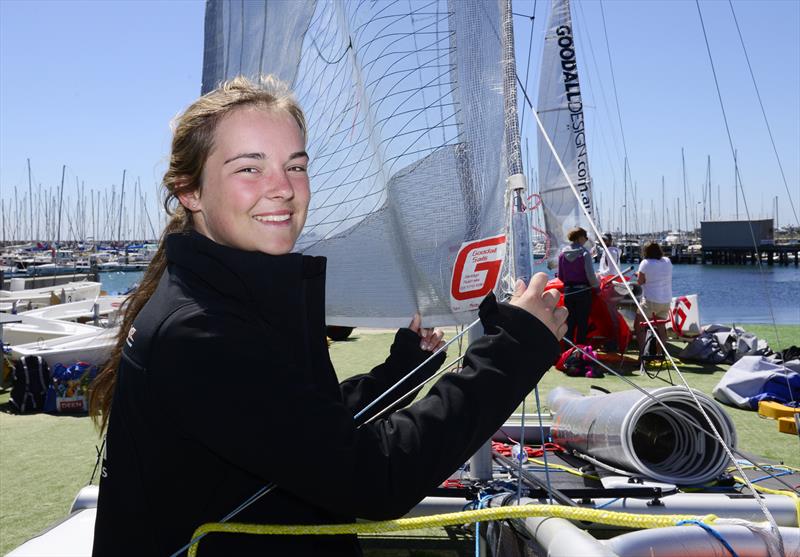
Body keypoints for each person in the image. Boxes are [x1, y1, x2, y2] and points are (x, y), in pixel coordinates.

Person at [88, 75, 567, 557]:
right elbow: (376, 478)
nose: (282, 189)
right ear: (190, 191)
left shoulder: (218, 298)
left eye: (295, 166)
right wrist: (518, 345)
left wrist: (399, 371)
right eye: (249, 169)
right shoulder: (200, 331)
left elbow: (295, 421)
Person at [557, 226, 599, 345]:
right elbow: (591, 275)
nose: (586, 240)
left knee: (570, 322)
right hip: (583, 292)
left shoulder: (562, 255)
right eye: (585, 237)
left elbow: (560, 276)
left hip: (569, 292)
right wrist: (597, 287)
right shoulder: (585, 253)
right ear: (580, 238)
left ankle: (568, 352)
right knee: (582, 323)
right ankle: (580, 352)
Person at [635, 241, 673, 350]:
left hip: (651, 301)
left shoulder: (645, 263)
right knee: (661, 328)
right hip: (665, 301)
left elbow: (640, 282)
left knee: (638, 327)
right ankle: (659, 354)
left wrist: (638, 275)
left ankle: (642, 355)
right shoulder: (667, 261)